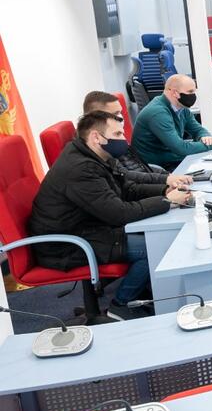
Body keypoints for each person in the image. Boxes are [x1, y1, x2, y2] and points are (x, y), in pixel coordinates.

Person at [28, 111, 192, 311]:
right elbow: (119, 214)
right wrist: (167, 201)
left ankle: (141, 292)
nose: (124, 140)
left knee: (158, 236)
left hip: (89, 227)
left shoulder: (98, 155)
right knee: (158, 246)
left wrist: (164, 190)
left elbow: (127, 189)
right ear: (96, 137)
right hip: (65, 244)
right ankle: (120, 306)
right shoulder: (80, 169)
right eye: (117, 134)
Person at [132, 74, 212, 170]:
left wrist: (206, 137)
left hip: (172, 160)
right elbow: (180, 148)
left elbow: (197, 129)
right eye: (190, 92)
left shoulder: (181, 107)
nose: (193, 96)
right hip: (157, 168)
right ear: (175, 93)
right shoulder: (158, 113)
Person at [83, 90, 168, 176]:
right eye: (115, 114)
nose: (120, 117)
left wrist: (166, 176)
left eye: (120, 112)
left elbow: (140, 167)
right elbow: (128, 178)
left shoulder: (115, 136)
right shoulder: (104, 148)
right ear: (97, 117)